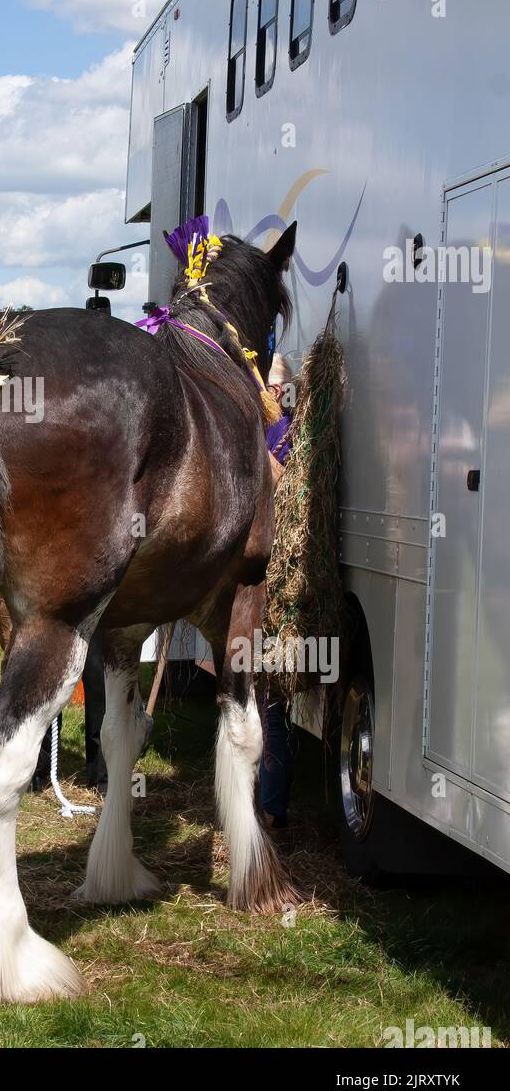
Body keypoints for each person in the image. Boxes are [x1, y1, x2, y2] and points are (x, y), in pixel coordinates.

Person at [259, 354, 297, 831]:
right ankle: (260, 802)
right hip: (260, 575)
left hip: (279, 579)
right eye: (266, 386)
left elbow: (279, 484)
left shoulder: (287, 435)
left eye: (275, 386)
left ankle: (271, 808)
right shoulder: (267, 431)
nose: (269, 393)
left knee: (272, 698)